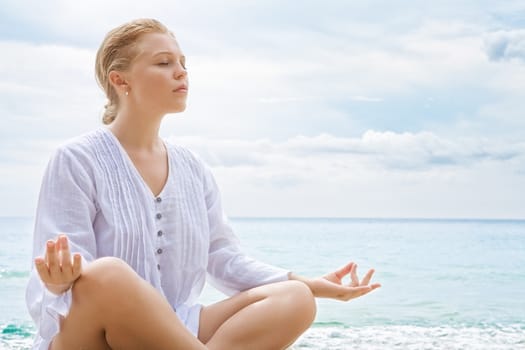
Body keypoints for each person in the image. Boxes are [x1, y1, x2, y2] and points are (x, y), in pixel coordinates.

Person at [25, 18, 381, 350]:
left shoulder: (192, 168)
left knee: (295, 298)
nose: (181, 72)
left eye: (183, 62)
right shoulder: (76, 159)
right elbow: (69, 272)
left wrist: (311, 283)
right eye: (164, 63)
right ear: (121, 81)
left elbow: (222, 257)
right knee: (108, 274)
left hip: (178, 330)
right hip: (91, 335)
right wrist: (58, 280)